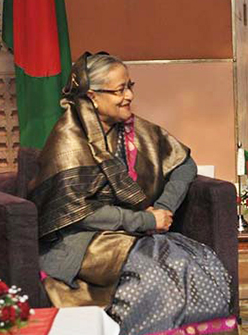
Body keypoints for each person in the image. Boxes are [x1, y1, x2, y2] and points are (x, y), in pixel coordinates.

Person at [29, 52, 231, 335]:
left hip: (136, 231)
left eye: (129, 86)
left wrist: (163, 208)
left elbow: (185, 164)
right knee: (156, 272)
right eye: (119, 90)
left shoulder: (136, 131)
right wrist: (146, 222)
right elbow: (80, 214)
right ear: (93, 97)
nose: (128, 96)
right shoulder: (69, 141)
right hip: (84, 239)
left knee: (199, 262)